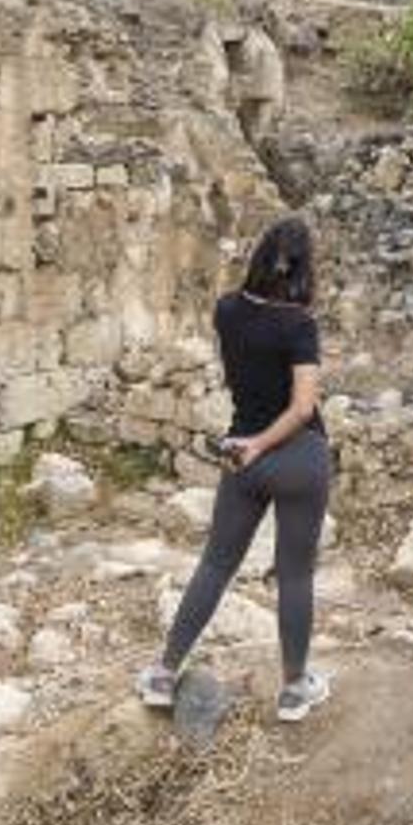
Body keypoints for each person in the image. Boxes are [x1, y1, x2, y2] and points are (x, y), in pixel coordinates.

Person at [136, 216, 331, 722]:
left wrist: (249, 446)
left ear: (260, 256)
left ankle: (163, 672)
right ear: (304, 267)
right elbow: (304, 407)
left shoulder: (226, 310)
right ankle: (293, 688)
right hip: (297, 455)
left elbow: (243, 367)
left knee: (216, 564)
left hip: (239, 451)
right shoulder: (300, 326)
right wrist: (266, 445)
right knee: (294, 575)